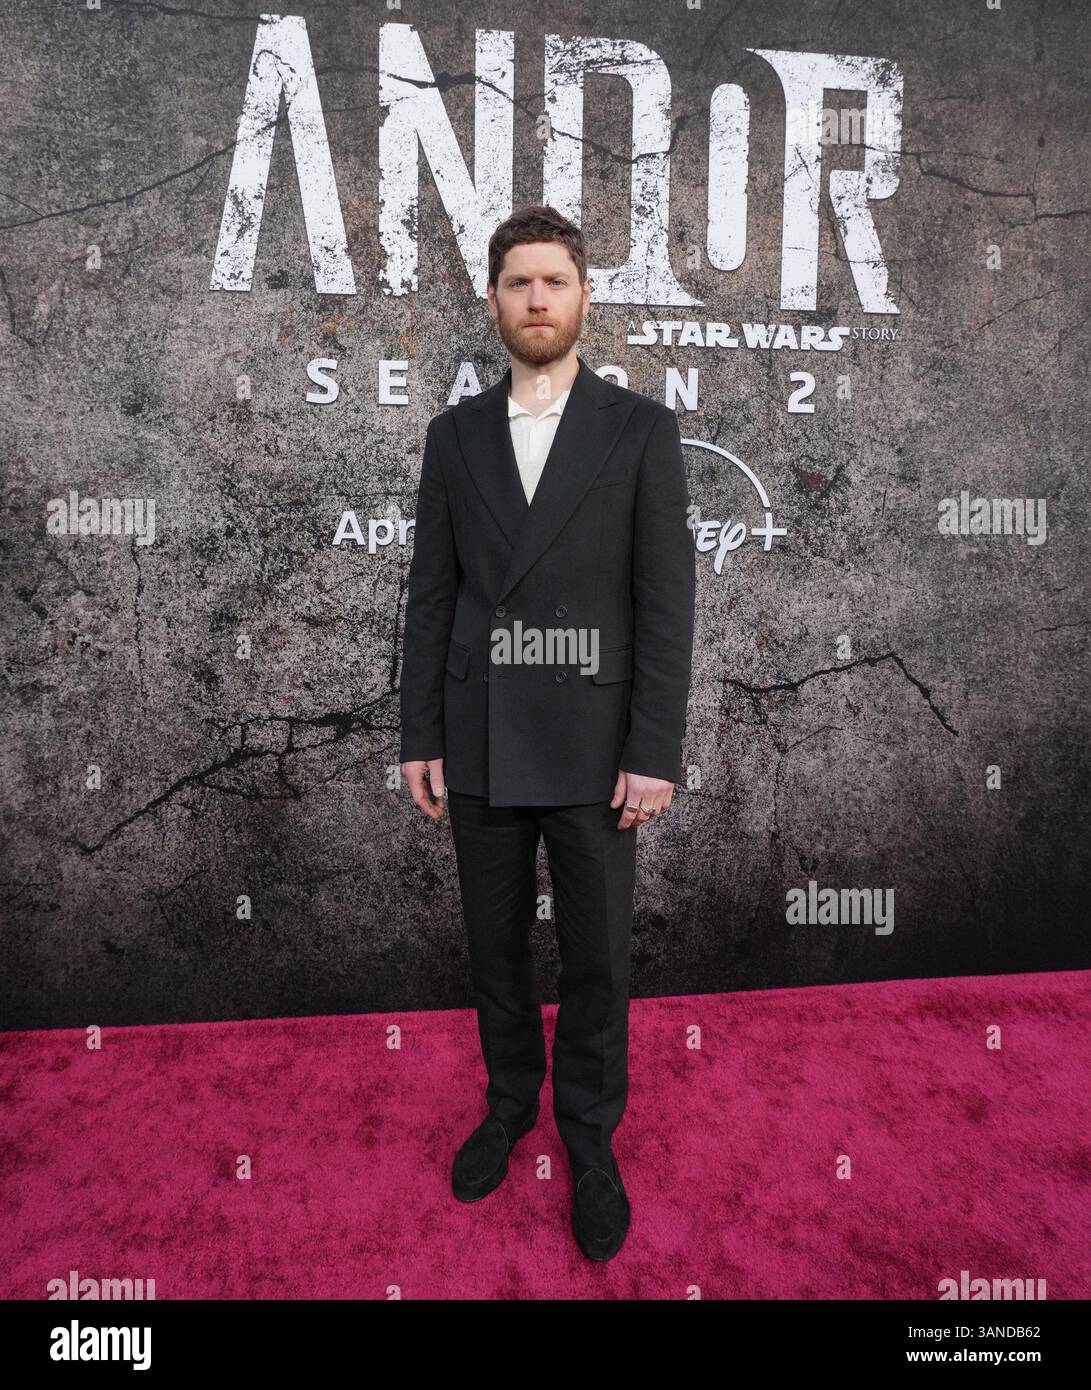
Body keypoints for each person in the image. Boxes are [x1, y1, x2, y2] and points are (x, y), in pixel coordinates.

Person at [399, 205, 695, 1262]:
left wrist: (653, 749)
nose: (535, 300)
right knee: (493, 951)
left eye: (553, 282)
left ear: (582, 298)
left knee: (597, 961)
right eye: (517, 282)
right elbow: (429, 597)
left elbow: (665, 604)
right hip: (477, 738)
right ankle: (508, 1102)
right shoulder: (452, 436)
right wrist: (417, 731)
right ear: (492, 299)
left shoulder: (638, 429)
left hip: (593, 739)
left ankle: (590, 1137)